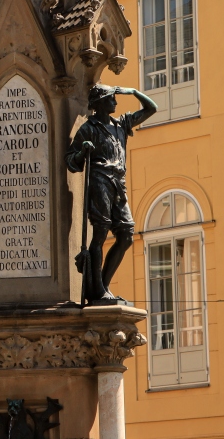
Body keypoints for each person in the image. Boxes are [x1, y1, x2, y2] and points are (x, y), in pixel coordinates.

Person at [66, 84, 157, 305]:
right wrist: (82, 152)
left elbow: (151, 108)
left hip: (118, 182)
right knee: (100, 232)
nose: (115, 102)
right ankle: (97, 290)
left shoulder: (121, 124)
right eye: (110, 98)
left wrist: (134, 92)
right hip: (100, 181)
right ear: (99, 104)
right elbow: (71, 161)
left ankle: (103, 285)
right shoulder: (89, 128)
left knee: (126, 234)